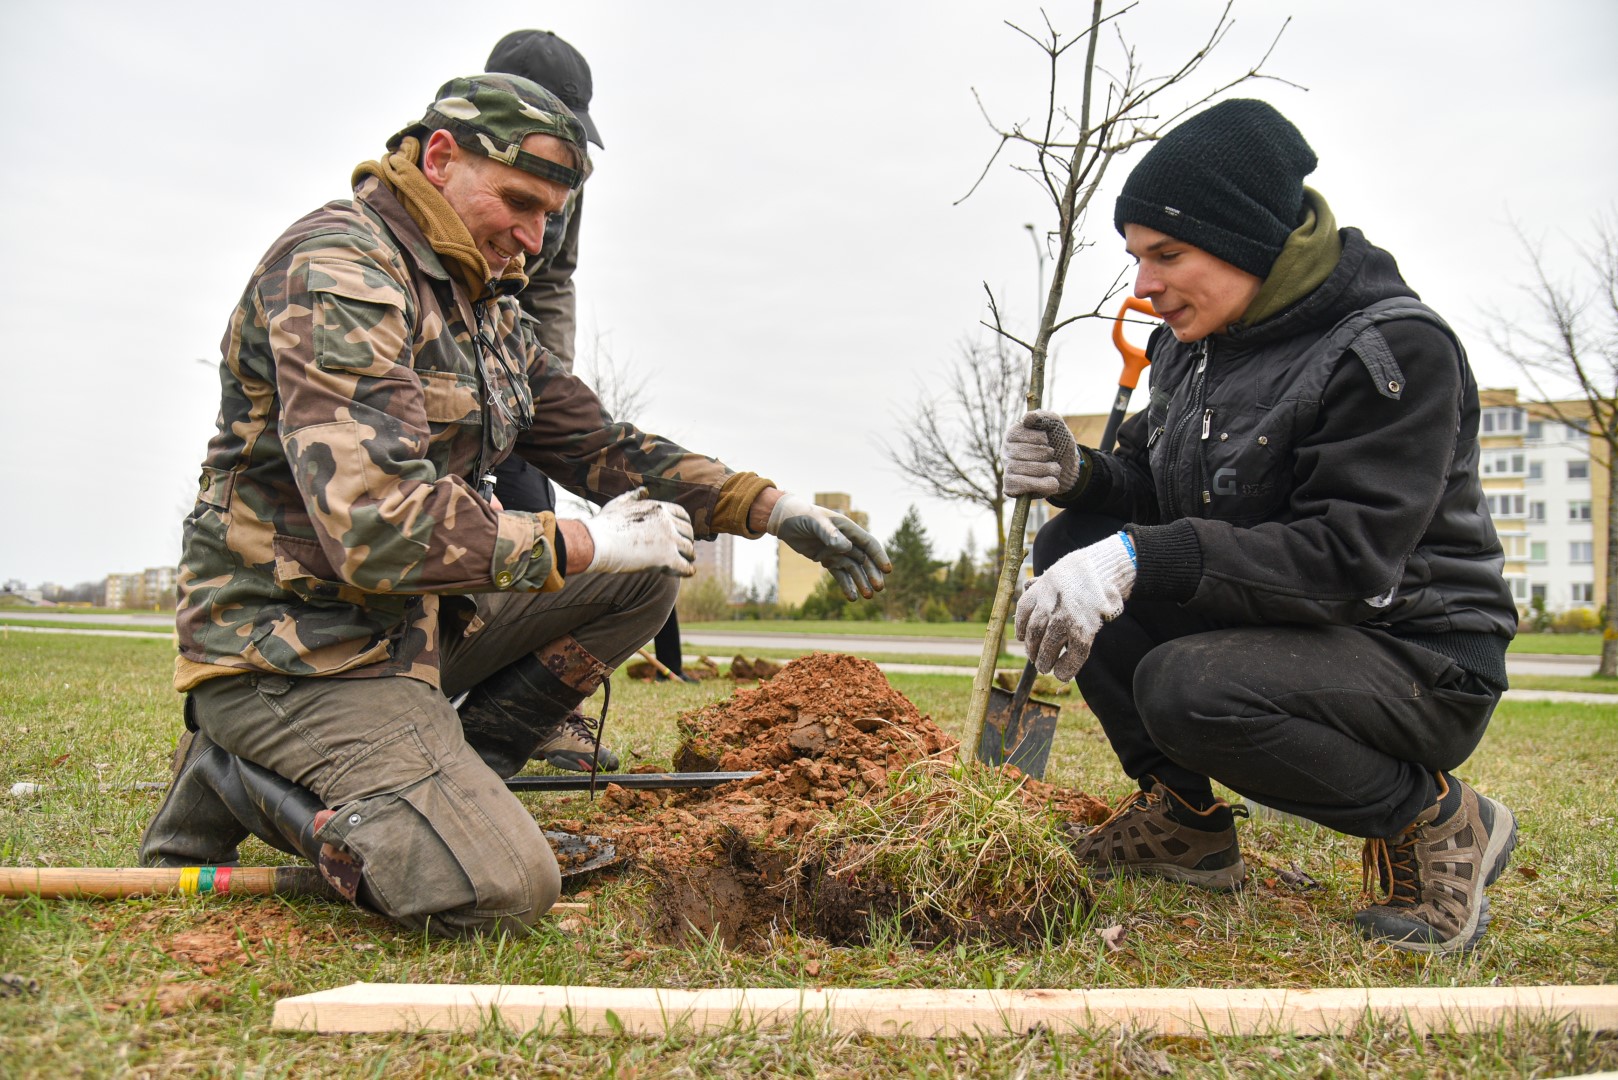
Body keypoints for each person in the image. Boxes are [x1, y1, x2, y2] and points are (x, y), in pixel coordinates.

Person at [139, 73, 890, 937]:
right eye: (519, 202)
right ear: (440, 158)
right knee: (504, 888)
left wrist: (769, 507)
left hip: (410, 626)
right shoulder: (341, 271)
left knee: (644, 578)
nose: (533, 238)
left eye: (550, 217)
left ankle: (469, 774)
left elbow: (598, 443)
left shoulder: (481, 300)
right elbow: (376, 525)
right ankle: (238, 772)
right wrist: (583, 540)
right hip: (298, 648)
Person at [1001, 99, 1518, 955]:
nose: (1142, 286)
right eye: (1136, 258)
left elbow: (1345, 562)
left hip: (1415, 654)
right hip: (1286, 625)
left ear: (1246, 241)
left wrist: (1137, 557)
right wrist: (1080, 476)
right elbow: (1157, 489)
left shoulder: (1391, 350)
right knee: (1071, 541)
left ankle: (1439, 819)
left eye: (1167, 255)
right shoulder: (1194, 347)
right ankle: (1184, 821)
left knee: (1188, 686)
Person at [485, 29, 700, 691]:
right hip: (451, 368)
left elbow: (554, 278)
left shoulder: (570, 184)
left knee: (534, 498)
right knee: (496, 518)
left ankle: (519, 703)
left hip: (516, 366)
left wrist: (543, 388)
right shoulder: (461, 168)